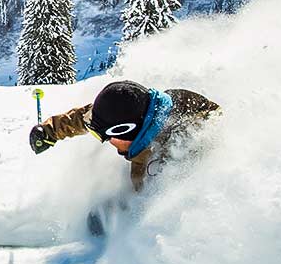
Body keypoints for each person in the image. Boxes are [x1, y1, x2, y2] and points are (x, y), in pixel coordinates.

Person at [29, 80, 220, 193]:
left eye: (104, 136)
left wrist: (125, 215)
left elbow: (161, 203)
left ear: (126, 131)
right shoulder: (136, 109)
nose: (105, 141)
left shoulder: (182, 144)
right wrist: (50, 131)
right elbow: (85, 117)